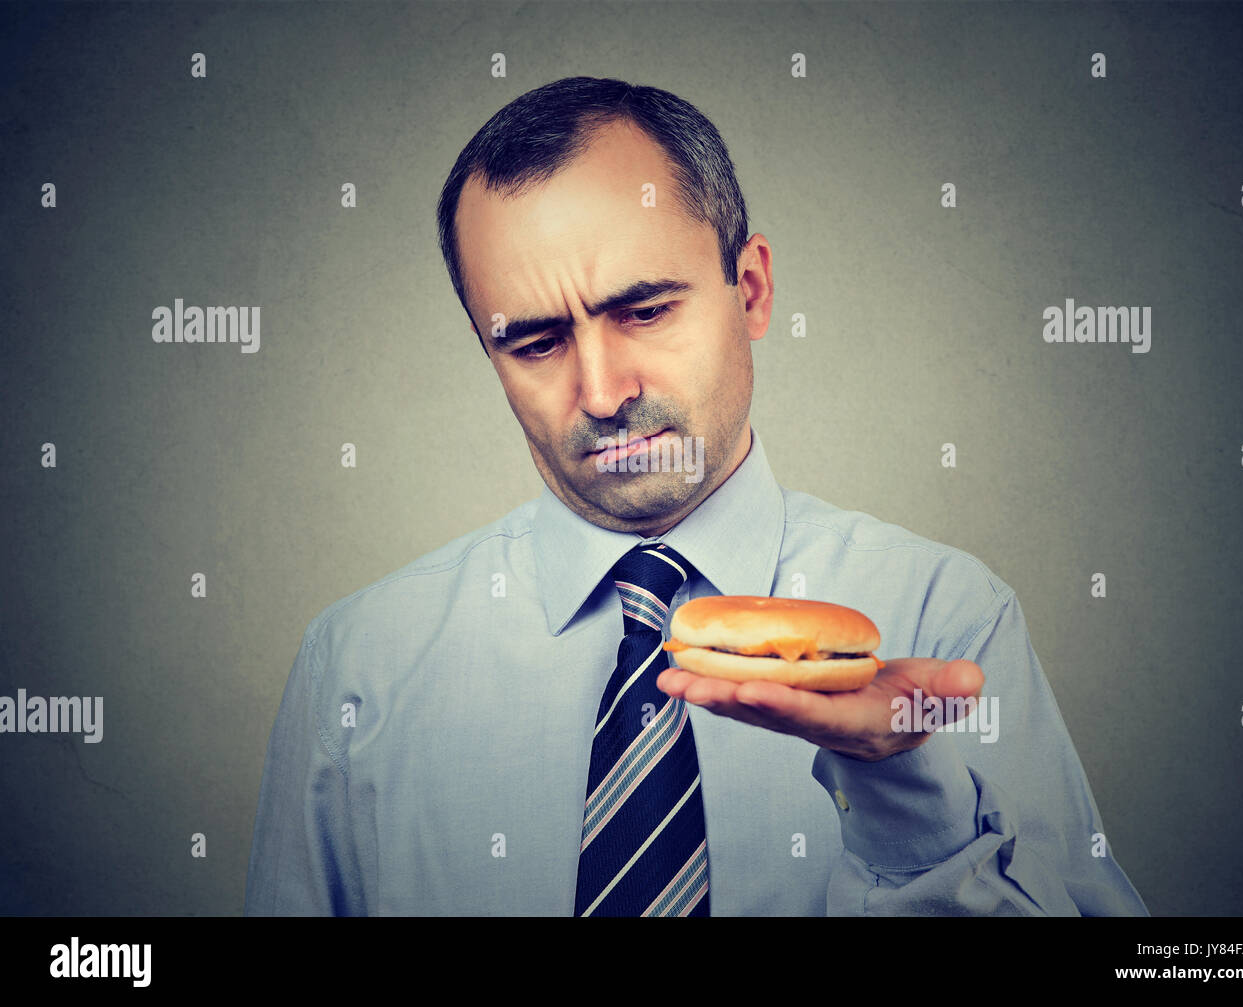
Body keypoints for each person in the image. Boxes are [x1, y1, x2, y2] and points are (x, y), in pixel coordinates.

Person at [244, 76, 1148, 916]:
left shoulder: (944, 619)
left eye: (643, 310)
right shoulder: (357, 668)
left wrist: (909, 794)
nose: (602, 392)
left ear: (749, 291)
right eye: (536, 342)